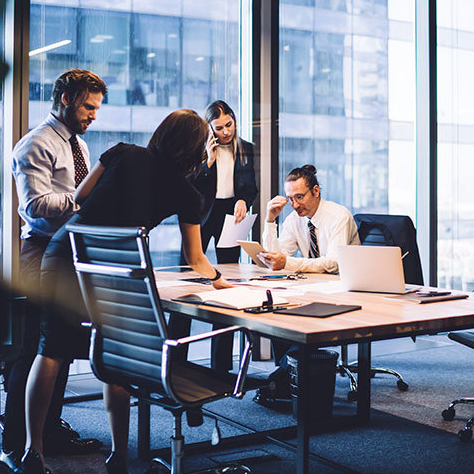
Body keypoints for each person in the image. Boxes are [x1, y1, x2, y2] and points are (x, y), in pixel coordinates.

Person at [20, 109, 233, 474]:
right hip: (119, 264)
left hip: (68, 249)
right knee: (115, 357)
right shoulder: (187, 192)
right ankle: (118, 455)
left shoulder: (123, 151)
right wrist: (219, 279)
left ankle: (32, 451)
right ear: (197, 148)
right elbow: (195, 258)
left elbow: (81, 197)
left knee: (50, 349)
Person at [0, 69, 107, 474]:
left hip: (72, 252)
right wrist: (84, 201)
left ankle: (48, 430)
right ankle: (14, 446)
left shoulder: (78, 143)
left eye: (96, 108)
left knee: (59, 345)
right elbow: (34, 208)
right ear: (65, 99)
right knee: (33, 351)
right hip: (41, 253)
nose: (93, 115)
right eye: (87, 106)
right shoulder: (35, 144)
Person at [255, 164, 360, 406]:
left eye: (299, 197)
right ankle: (288, 379)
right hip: (315, 286)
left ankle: (281, 379)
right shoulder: (295, 219)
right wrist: (270, 221)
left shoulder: (338, 216)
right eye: (290, 198)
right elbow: (276, 256)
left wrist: (288, 262)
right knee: (278, 313)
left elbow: (334, 263)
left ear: (316, 191)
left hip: (344, 288)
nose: (294, 204)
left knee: (295, 320)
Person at [188, 100, 258, 371]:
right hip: (204, 215)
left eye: (229, 125)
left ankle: (221, 363)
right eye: (219, 128)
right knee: (190, 277)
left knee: (227, 282)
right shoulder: (199, 148)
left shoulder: (246, 149)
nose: (226, 132)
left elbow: (250, 187)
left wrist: (244, 200)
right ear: (209, 127)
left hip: (232, 216)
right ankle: (178, 356)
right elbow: (191, 184)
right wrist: (208, 161)